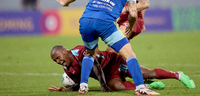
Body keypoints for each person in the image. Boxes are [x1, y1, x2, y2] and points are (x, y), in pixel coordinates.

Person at [56, 0, 159, 95]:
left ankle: (83, 86)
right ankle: (140, 88)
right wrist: (131, 25)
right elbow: (133, 14)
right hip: (105, 23)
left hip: (85, 21)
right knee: (129, 55)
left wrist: (66, 3)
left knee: (90, 53)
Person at [49, 45, 195, 92]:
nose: (57, 61)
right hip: (109, 75)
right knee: (117, 87)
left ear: (64, 51)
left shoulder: (80, 51)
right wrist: (66, 89)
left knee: (148, 73)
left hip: (115, 62)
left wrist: (102, 85)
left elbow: (96, 66)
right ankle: (146, 85)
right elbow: (78, 83)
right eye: (54, 60)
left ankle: (178, 75)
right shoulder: (68, 70)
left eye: (57, 57)